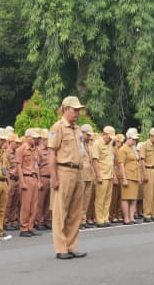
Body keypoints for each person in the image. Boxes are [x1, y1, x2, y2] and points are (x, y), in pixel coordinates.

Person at [48, 95, 88, 259]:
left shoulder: (77, 129)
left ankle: (72, 245)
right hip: (64, 171)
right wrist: (54, 177)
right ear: (65, 109)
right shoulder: (57, 128)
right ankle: (61, 248)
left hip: (77, 172)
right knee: (60, 211)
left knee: (75, 211)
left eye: (79, 110)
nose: (77, 113)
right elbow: (51, 153)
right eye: (75, 109)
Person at [91, 126, 116, 226]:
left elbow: (111, 160)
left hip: (109, 175)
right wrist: (98, 175)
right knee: (100, 199)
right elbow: (95, 161)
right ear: (104, 134)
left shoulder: (110, 144)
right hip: (102, 175)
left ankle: (106, 218)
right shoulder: (97, 144)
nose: (110, 139)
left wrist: (113, 174)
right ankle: (99, 219)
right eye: (109, 137)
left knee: (107, 198)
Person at [117, 128, 141, 224]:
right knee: (126, 197)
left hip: (134, 175)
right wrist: (124, 178)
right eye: (133, 139)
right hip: (128, 175)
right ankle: (126, 218)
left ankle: (131, 217)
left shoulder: (133, 149)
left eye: (135, 140)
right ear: (129, 138)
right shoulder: (123, 149)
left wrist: (139, 177)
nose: (135, 141)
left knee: (133, 197)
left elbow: (136, 163)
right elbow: (121, 164)